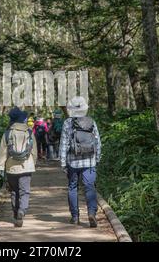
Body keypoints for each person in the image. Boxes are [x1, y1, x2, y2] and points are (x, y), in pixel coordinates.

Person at [59, 96, 101, 228]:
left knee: (72, 187)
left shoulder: (67, 123)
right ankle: (92, 213)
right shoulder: (91, 122)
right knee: (89, 186)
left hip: (73, 161)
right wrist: (97, 158)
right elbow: (98, 142)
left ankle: (75, 217)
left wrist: (63, 163)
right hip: (89, 162)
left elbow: (64, 144)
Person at [0, 107, 37, 227]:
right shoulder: (29, 132)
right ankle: (22, 211)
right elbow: (34, 152)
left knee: (14, 191)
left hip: (11, 167)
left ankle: (16, 215)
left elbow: (3, 152)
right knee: (24, 191)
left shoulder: (7, 133)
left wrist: (0, 167)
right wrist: (32, 163)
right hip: (26, 166)